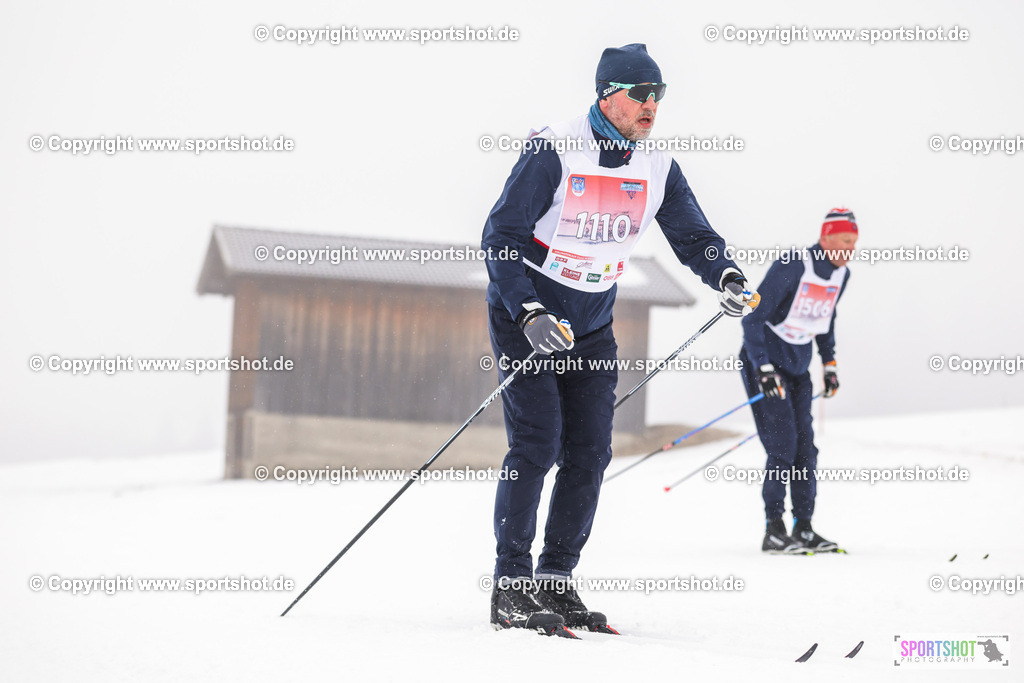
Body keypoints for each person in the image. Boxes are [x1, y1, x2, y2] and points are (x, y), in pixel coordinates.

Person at [481, 43, 756, 637]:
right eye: (642, 94)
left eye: (660, 95)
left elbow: (693, 235)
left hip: (592, 326)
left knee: (590, 452)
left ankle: (556, 578)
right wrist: (526, 310)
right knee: (537, 443)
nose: (652, 106)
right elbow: (500, 233)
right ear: (608, 93)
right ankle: (511, 585)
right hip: (529, 319)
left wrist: (726, 274)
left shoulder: (655, 166)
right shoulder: (555, 147)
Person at [738, 208, 857, 554]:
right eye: (845, 241)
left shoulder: (840, 275)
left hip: (797, 367)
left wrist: (830, 362)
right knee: (783, 446)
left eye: (854, 243)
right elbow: (752, 320)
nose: (850, 249)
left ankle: (803, 527)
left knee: (806, 448)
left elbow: (825, 317)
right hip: (764, 363)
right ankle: (773, 528)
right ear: (826, 238)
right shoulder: (793, 265)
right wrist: (762, 368)